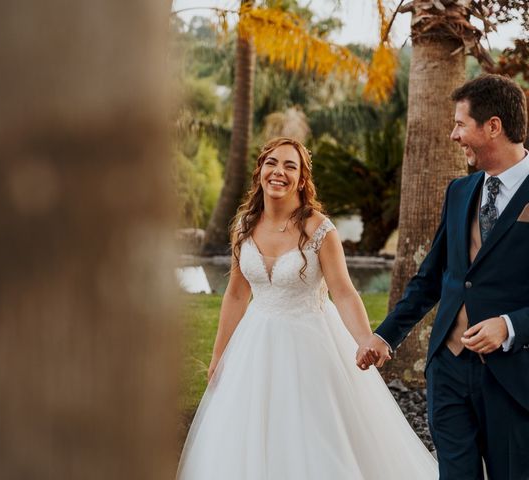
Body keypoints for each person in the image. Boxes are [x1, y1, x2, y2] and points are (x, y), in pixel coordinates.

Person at [177, 137, 437, 479]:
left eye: (289, 166)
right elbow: (236, 295)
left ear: (301, 179)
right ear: (260, 171)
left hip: (311, 342)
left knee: (314, 432)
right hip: (254, 344)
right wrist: (218, 355)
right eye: (272, 163)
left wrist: (364, 339)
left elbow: (343, 292)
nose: (278, 172)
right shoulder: (243, 226)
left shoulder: (319, 229)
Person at [358, 74, 529, 480]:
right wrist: (385, 336)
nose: (454, 135)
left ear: (493, 126)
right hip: (448, 371)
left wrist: (509, 327)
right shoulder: (459, 191)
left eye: (459, 124)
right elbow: (433, 276)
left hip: (513, 375)